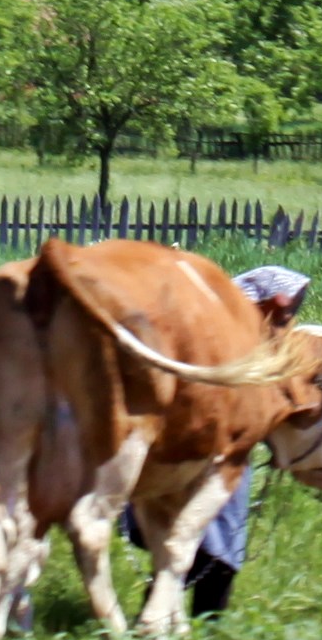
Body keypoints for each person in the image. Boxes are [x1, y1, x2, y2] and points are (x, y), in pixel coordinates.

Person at [123, 263, 311, 618]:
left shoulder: (262, 347)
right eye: (285, 312)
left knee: (213, 553)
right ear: (265, 304)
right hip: (199, 459)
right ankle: (171, 621)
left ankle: (196, 627)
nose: (289, 322)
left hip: (228, 469)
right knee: (192, 548)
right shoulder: (216, 346)